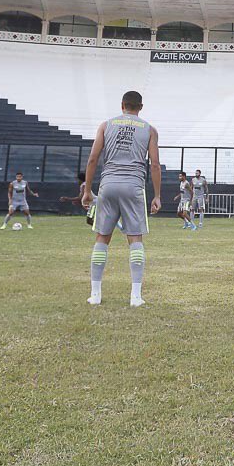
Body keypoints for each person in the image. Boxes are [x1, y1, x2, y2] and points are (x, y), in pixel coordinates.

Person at [82, 90, 161, 307]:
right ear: (141, 107)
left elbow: (92, 159)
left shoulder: (106, 125)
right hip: (134, 186)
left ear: (122, 105)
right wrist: (157, 195)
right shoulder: (150, 129)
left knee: (102, 238)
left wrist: (88, 190)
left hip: (108, 185)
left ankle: (95, 294)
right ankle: (135, 296)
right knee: (135, 239)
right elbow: (154, 164)